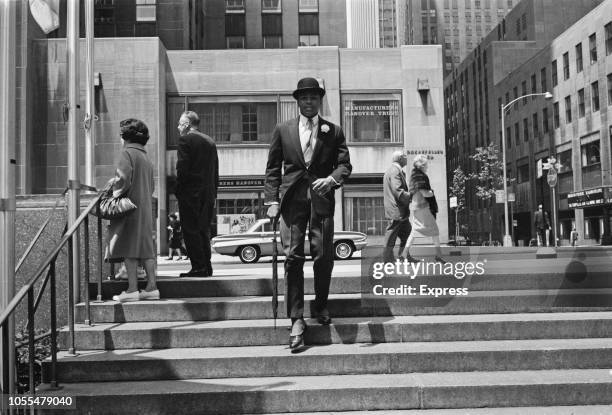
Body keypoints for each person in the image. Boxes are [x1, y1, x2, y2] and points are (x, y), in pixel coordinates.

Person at [265, 77, 352, 351]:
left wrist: (332, 179)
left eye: (313, 97)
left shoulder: (333, 131)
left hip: (322, 200)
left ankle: (321, 305)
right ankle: (296, 319)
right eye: (304, 98)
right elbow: (272, 169)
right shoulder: (283, 130)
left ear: (319, 100)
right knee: (292, 257)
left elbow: (345, 165)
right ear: (297, 101)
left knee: (324, 255)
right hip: (291, 203)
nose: (309, 101)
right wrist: (272, 200)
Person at [106, 118, 159, 302]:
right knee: (146, 249)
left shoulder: (127, 154)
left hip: (128, 208)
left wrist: (114, 193)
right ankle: (152, 287)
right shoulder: (146, 157)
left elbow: (122, 180)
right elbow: (151, 186)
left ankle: (132, 289)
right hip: (144, 207)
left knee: (129, 248)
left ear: (125, 137)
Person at [175, 111, 219, 278]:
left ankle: (198, 267)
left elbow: (182, 168)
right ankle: (206, 267)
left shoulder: (185, 140)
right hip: (208, 194)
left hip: (190, 193)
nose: (178, 127)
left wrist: (179, 189)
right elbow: (215, 171)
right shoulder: (210, 141)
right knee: (203, 230)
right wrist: (214, 192)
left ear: (187, 124)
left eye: (180, 124)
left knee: (191, 230)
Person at [400, 154, 446, 263]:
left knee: (414, 231)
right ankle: (438, 256)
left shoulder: (414, 175)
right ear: (422, 165)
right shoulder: (420, 176)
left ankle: (404, 254)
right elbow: (425, 192)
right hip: (423, 207)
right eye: (426, 164)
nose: (427, 166)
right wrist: (432, 193)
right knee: (434, 230)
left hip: (416, 207)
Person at [382, 151, 412, 263]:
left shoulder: (393, 170)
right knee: (391, 237)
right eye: (405, 156)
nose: (406, 158)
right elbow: (398, 191)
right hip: (397, 211)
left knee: (407, 234)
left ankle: (403, 257)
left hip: (400, 212)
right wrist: (412, 195)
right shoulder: (395, 171)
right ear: (400, 158)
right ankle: (387, 260)